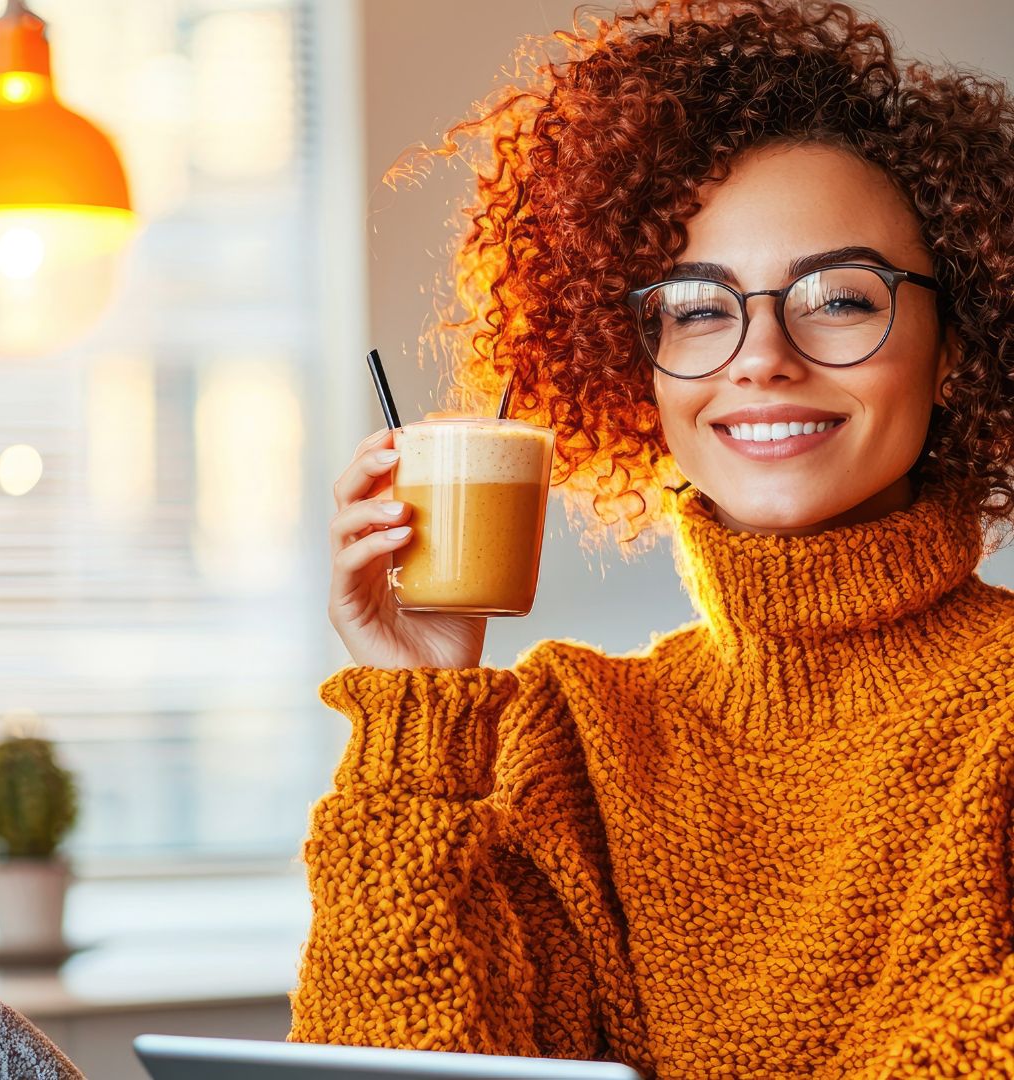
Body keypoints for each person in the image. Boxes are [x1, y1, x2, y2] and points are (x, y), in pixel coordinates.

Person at [297, 1, 1014, 1078]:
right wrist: (414, 710)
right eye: (696, 306)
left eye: (839, 299)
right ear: (635, 364)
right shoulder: (572, 739)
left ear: (956, 345)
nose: (761, 356)